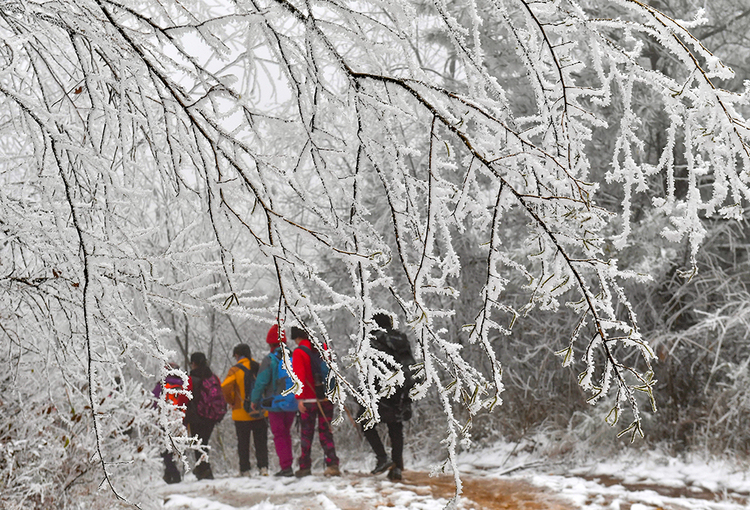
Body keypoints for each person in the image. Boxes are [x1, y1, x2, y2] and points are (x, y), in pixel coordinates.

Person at [361, 313, 416, 481]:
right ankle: (397, 467)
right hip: (401, 389)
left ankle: (383, 458)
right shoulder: (400, 339)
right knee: (396, 427)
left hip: (380, 389)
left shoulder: (374, 340)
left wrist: (365, 390)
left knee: (364, 422)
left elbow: (370, 367)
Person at [290, 326, 340, 477]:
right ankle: (332, 464)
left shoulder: (299, 352)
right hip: (327, 398)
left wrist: (299, 399)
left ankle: (305, 466)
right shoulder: (324, 347)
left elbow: (299, 377)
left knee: (307, 434)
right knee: (325, 431)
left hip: (309, 400)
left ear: (297, 338)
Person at [250, 324, 297, 477]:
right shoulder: (292, 356)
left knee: (279, 434)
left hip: (275, 404)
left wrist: (254, 400)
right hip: (292, 403)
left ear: (270, 343)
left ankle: (286, 467)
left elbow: (261, 383)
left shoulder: (269, 360)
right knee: (287, 433)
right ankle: (288, 464)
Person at [221, 343, 269, 476]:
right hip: (261, 411)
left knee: (243, 443)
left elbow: (225, 387)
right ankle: (263, 467)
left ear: (237, 355)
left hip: (241, 413)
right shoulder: (259, 367)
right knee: (261, 442)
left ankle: (245, 470)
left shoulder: (235, 370)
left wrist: (231, 401)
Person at [184, 352, 227, 480]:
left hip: (198, 416)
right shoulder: (213, 377)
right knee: (204, 442)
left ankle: (204, 470)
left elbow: (187, 397)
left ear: (194, 363)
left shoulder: (192, 378)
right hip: (213, 416)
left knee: (198, 443)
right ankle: (204, 469)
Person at [152, 362, 191, 484]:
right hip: (180, 420)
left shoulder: (162, 385)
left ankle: (173, 473)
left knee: (165, 449)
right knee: (174, 448)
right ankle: (169, 475)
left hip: (164, 420)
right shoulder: (184, 384)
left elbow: (153, 401)